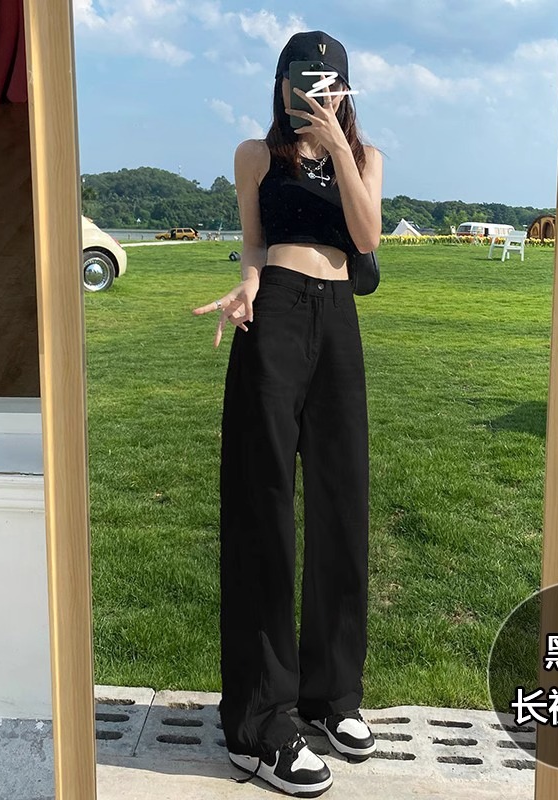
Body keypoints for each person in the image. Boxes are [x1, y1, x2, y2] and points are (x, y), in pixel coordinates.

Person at [192, 30, 383, 797]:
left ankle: (331, 696)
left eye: (326, 85)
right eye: (299, 82)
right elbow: (252, 242)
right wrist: (247, 283)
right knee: (262, 506)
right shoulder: (255, 156)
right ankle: (259, 726)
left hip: (338, 323)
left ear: (344, 91)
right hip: (271, 318)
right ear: (280, 85)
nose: (310, 95)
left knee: (343, 504)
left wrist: (337, 147)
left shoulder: (364, 157)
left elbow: (367, 236)